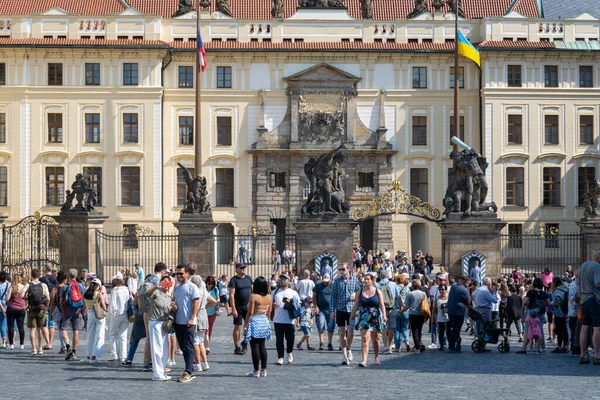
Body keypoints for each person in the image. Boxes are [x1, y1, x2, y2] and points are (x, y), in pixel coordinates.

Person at [350, 273, 387, 367]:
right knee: (365, 339)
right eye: (364, 279)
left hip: (375, 316)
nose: (365, 281)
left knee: (376, 339)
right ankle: (364, 360)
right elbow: (356, 305)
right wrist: (352, 315)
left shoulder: (377, 291)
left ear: (372, 280)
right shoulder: (360, 291)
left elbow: (382, 304)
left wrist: (384, 316)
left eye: (367, 279)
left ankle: (376, 357)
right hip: (364, 316)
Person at [172, 264, 200, 383]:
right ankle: (189, 368)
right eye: (177, 274)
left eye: (181, 273)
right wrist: (174, 307)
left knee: (188, 346)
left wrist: (192, 318)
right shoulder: (177, 288)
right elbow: (178, 305)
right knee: (183, 347)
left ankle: (189, 370)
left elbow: (196, 303)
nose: (178, 276)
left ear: (187, 274)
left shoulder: (192, 287)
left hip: (188, 322)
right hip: (178, 321)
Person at [138, 262, 168, 372]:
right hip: (153, 311)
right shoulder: (157, 280)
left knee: (149, 337)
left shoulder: (148, 278)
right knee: (154, 338)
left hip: (146, 310)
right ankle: (150, 362)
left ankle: (148, 361)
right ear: (163, 271)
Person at [330, 263, 361, 365]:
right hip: (340, 310)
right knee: (341, 333)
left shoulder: (355, 281)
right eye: (340, 269)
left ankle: (349, 348)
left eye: (343, 269)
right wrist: (332, 311)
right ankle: (344, 357)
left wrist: (355, 297)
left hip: (351, 311)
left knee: (350, 333)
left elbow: (360, 295)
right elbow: (333, 297)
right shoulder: (337, 281)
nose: (341, 271)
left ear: (348, 269)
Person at [147, 276, 175, 381]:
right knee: (156, 347)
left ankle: (162, 370)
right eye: (165, 283)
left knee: (164, 348)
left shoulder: (169, 297)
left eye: (169, 284)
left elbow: (170, 312)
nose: (167, 285)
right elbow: (147, 294)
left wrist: (174, 308)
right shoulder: (156, 293)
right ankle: (157, 373)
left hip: (164, 323)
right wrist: (156, 287)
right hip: (155, 322)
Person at [243, 276, 272, 378]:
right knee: (262, 346)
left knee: (254, 346)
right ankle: (264, 370)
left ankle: (256, 370)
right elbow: (269, 311)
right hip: (264, 320)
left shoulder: (253, 296)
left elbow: (250, 312)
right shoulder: (269, 297)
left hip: (255, 319)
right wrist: (266, 321)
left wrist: (245, 325)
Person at [516, 277, 550, 354]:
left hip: (531, 314)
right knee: (540, 331)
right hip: (540, 314)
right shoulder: (544, 293)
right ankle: (541, 347)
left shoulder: (531, 292)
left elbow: (524, 302)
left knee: (528, 331)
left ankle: (526, 348)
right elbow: (548, 303)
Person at [577, 250, 600, 365]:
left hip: (585, 299)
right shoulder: (597, 267)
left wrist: (581, 297)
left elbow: (578, 284)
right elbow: (598, 283)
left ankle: (583, 354)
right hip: (595, 299)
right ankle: (597, 354)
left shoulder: (584, 265)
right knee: (597, 328)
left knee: (585, 327)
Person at [271, 273, 300, 365]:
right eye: (281, 279)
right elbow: (269, 305)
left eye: (285, 279)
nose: (282, 280)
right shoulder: (274, 292)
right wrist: (273, 305)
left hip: (289, 320)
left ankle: (289, 352)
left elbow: (298, 306)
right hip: (278, 319)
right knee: (279, 340)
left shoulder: (293, 292)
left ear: (289, 281)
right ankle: (280, 357)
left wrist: (290, 302)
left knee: (290, 339)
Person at [190, 274, 216, 373]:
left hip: (197, 315)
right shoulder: (204, 291)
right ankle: (205, 363)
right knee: (201, 341)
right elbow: (213, 301)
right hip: (204, 314)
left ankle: (197, 364)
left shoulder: (196, 292)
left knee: (195, 342)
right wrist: (205, 306)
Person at [60, 269, 86, 361]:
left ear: (68, 276)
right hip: (77, 310)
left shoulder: (65, 286)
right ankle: (74, 352)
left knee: (63, 329)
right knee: (76, 331)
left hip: (67, 310)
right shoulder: (81, 286)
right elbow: (83, 298)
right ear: (76, 275)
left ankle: (68, 348)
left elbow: (61, 300)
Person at [229, 263, 253, 355]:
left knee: (248, 326)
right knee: (237, 326)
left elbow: (252, 291)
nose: (243, 269)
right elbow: (231, 295)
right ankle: (237, 346)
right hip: (238, 306)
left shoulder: (248, 278)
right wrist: (233, 308)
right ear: (237, 269)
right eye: (241, 268)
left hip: (248, 306)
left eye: (244, 267)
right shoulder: (234, 280)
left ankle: (245, 343)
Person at [26, 269, 50, 355]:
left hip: (32, 309)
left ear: (31, 275)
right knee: (40, 329)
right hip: (41, 309)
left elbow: (22, 296)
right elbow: (48, 298)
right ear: (39, 276)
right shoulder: (43, 285)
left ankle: (34, 349)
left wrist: (27, 301)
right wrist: (46, 306)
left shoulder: (29, 285)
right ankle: (40, 349)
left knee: (32, 330)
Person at [399, 279, 428, 353]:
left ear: (412, 286)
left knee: (414, 331)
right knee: (419, 330)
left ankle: (417, 347)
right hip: (421, 314)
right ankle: (418, 345)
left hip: (413, 314)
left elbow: (407, 306)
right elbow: (426, 304)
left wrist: (401, 311)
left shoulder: (410, 294)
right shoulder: (423, 293)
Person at [83, 279, 106, 363]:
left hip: (90, 313)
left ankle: (89, 354)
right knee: (99, 334)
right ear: (98, 286)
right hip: (98, 314)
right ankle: (94, 356)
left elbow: (84, 306)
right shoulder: (98, 294)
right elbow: (104, 307)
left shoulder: (85, 294)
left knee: (90, 334)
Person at [447, 275, 471, 353]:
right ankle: (452, 346)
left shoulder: (454, 286)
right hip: (459, 312)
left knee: (452, 328)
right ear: (466, 282)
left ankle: (455, 342)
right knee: (456, 329)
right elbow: (468, 301)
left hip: (450, 310)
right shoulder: (464, 290)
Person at [109, 276, 130, 362]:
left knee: (113, 334)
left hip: (117, 314)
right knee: (123, 336)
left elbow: (113, 302)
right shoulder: (126, 289)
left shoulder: (114, 290)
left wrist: (111, 313)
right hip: (126, 314)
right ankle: (123, 355)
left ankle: (114, 354)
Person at [472, 277, 498, 344]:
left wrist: (478, 300)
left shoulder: (478, 289)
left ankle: (480, 341)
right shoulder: (485, 291)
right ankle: (483, 343)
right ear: (489, 283)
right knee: (486, 327)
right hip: (485, 309)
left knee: (479, 327)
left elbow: (473, 295)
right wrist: (493, 293)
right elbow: (495, 300)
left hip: (477, 308)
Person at [312, 273, 334, 351]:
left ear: (330, 280)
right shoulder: (318, 285)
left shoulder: (333, 286)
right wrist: (315, 306)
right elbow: (314, 296)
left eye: (327, 281)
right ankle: (321, 343)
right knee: (321, 325)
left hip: (330, 310)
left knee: (330, 327)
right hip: (321, 309)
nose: (326, 282)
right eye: (325, 281)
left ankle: (329, 343)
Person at [5, 274, 26, 350]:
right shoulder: (23, 287)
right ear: (20, 279)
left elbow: (7, 299)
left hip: (11, 308)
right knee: (21, 327)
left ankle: (11, 344)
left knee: (11, 326)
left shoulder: (12, 287)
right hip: (21, 309)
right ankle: (22, 344)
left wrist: (5, 298)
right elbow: (24, 297)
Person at [40, 263, 58, 351]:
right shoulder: (55, 279)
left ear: (45, 269)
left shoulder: (42, 279)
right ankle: (50, 342)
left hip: (44, 302)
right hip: (53, 302)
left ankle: (47, 343)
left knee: (44, 324)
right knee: (52, 324)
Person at [550, 276, 569, 353]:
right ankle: (565, 346)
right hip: (565, 311)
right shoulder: (566, 288)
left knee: (559, 329)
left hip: (559, 311)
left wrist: (551, 304)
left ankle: (559, 346)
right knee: (564, 330)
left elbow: (557, 301)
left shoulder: (558, 290)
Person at [394, 276, 411, 352]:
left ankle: (398, 347)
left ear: (397, 281)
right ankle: (407, 341)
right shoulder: (407, 289)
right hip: (405, 309)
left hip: (397, 309)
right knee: (404, 328)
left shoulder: (395, 288)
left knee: (397, 329)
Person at [205, 275, 219, 354]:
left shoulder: (215, 289)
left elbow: (218, 298)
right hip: (204, 312)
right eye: (209, 283)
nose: (210, 285)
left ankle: (207, 344)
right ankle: (206, 346)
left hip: (212, 312)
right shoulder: (203, 290)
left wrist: (218, 303)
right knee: (205, 329)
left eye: (212, 284)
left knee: (210, 328)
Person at [433, 284, 450, 351]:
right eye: (440, 289)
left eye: (442, 289)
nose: (441, 291)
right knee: (441, 332)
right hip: (440, 318)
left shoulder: (449, 297)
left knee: (449, 332)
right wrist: (433, 318)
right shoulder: (437, 298)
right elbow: (434, 309)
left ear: (446, 290)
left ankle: (450, 344)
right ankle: (441, 345)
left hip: (448, 318)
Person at [568, 269, 581, 356]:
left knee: (574, 331)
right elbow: (574, 303)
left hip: (573, 312)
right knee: (576, 332)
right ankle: (575, 349)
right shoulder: (575, 286)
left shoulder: (573, 285)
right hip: (576, 312)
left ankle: (575, 349)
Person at [0, 272, 10, 348]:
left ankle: (3, 340)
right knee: (11, 324)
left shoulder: (0, 287)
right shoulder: (10, 286)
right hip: (10, 306)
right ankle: (10, 341)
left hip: (2, 307)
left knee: (3, 324)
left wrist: (3, 309)